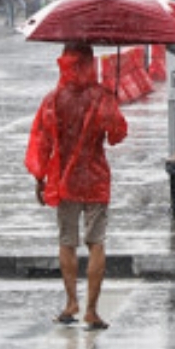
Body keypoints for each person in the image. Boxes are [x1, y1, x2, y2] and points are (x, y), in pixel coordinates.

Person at [25, 43, 128, 330]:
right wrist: (112, 103)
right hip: (95, 179)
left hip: (65, 180)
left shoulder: (53, 99)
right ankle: (92, 310)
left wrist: (40, 178)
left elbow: (41, 141)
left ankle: (71, 302)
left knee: (66, 241)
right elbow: (117, 135)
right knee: (96, 242)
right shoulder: (100, 97)